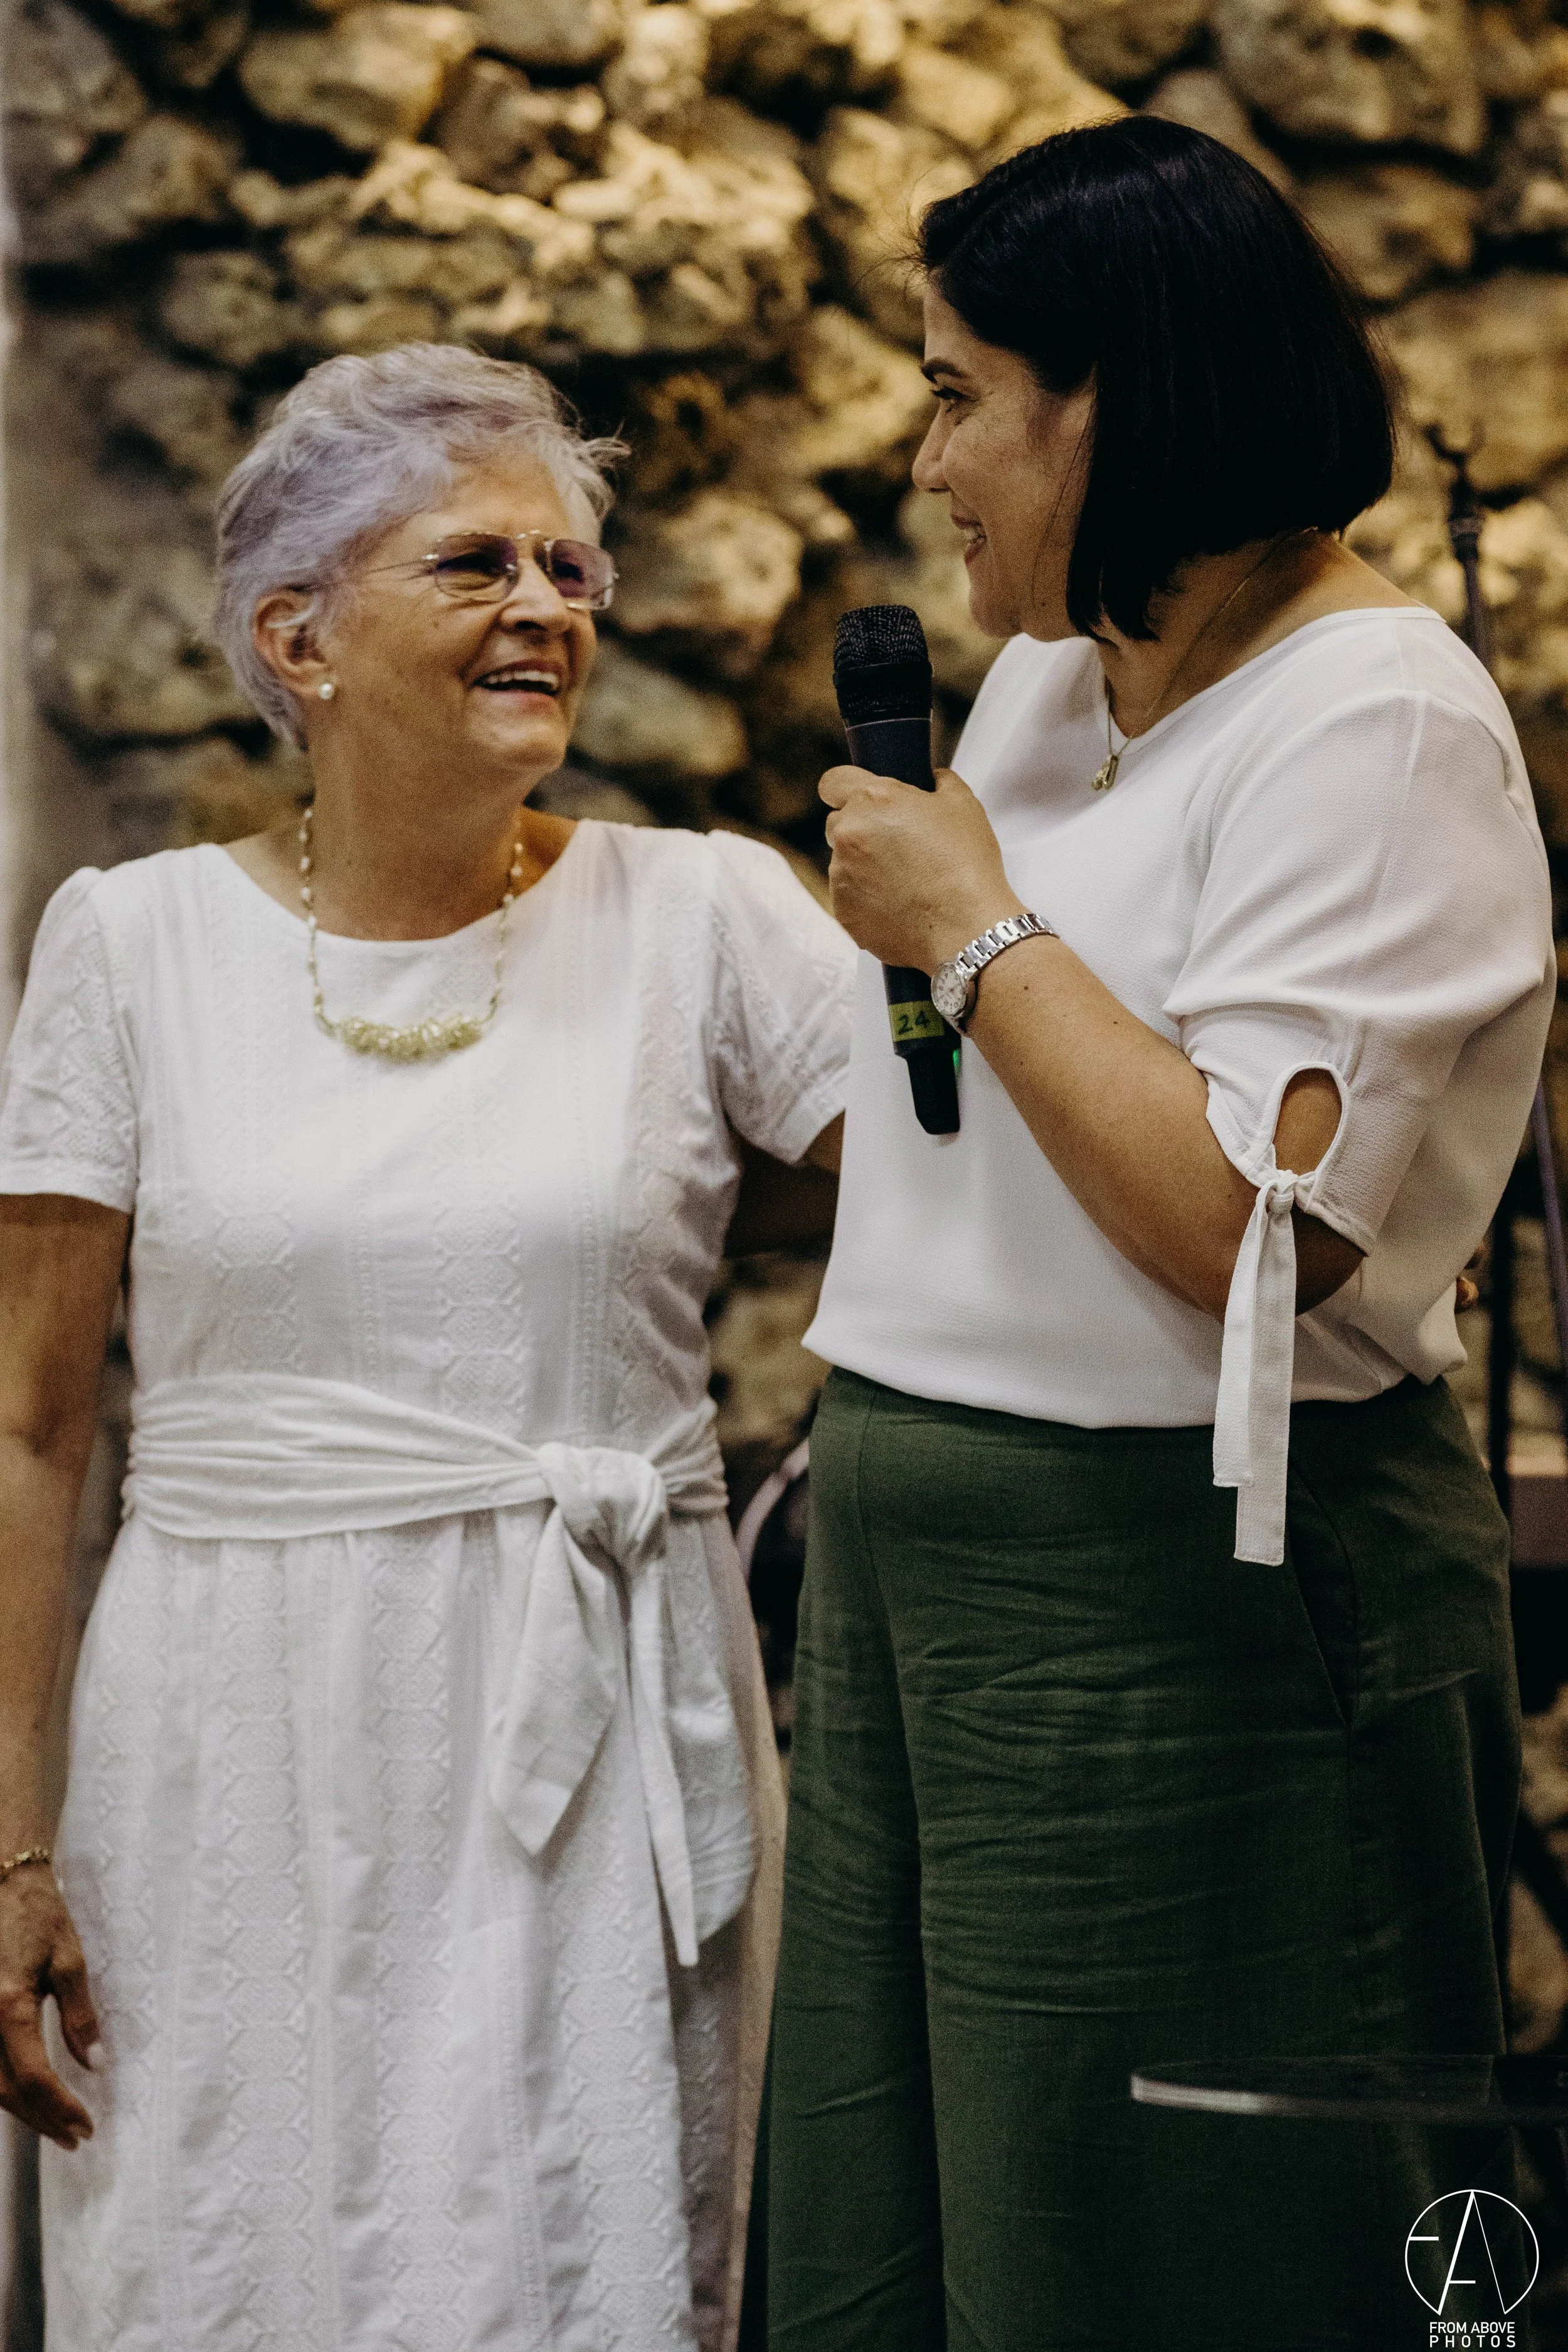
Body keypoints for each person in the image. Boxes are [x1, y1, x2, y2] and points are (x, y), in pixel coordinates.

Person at [766, 118, 1557, 2351]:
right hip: (935, 1586)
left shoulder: (1376, 717)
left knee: (1197, 2242)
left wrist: (971, 919)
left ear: (1108, 397)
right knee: (925, 2213)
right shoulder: (1053, 671)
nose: (924, 461)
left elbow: (1243, 1223)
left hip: (1175, 1620)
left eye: (953, 392)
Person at [0, 344, 853, 2351]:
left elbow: (979, 1177)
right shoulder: (129, 948)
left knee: (582, 2265)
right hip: (230, 1748)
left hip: (596, 1717)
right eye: (478, 563)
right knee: (228, 2257)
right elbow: (29, 1432)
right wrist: (10, 1844)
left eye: (572, 566)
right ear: (298, 633)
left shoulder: (706, 914)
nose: (549, 604)